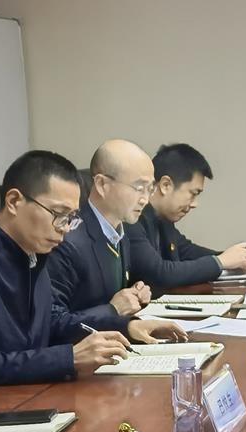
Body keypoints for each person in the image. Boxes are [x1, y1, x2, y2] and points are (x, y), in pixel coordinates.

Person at [0, 150, 177, 391]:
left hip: (31, 393)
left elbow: (50, 322)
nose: (64, 228)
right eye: (58, 214)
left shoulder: (30, 251)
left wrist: (126, 326)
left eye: (71, 217)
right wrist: (68, 358)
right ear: (14, 201)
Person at [49, 139, 162, 326]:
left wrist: (135, 293)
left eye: (150, 189)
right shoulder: (67, 240)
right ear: (102, 184)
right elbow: (52, 322)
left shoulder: (120, 230)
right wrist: (112, 310)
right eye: (139, 188)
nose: (145, 199)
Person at [125, 143, 246, 293]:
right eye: (193, 193)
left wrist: (234, 257)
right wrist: (220, 261)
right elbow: (159, 274)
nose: (195, 204)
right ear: (166, 185)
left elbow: (186, 251)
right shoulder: (132, 219)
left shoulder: (162, 219)